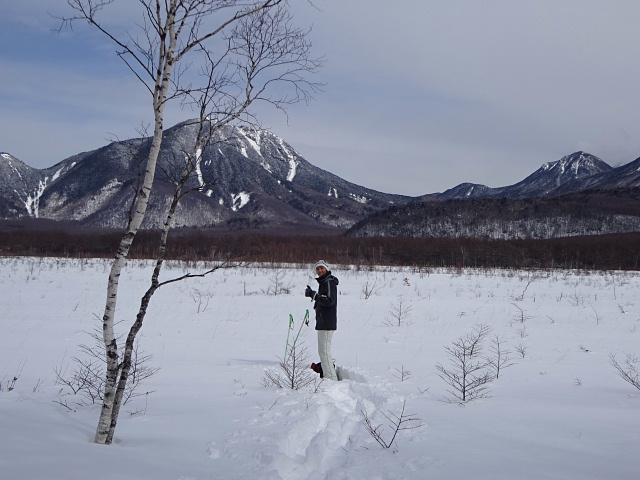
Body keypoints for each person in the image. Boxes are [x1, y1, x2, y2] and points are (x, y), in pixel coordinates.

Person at [305, 260, 339, 381]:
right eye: (318, 269)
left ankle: (331, 378)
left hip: (327, 322)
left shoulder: (329, 282)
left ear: (327, 269)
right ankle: (327, 374)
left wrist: (313, 295)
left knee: (324, 351)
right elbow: (323, 301)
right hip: (323, 322)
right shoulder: (323, 282)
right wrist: (317, 305)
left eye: (322, 268)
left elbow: (330, 301)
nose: (320, 271)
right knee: (322, 351)